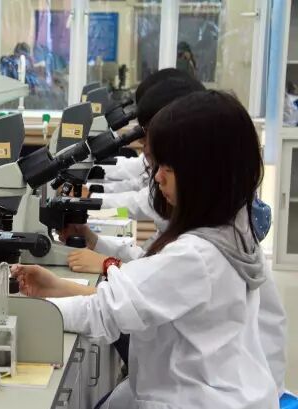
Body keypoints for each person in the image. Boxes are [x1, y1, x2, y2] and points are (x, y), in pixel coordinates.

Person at [13, 91, 286, 409]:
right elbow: (145, 281)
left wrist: (12, 311)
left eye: (168, 167)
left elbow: (103, 312)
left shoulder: (198, 255)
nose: (156, 177)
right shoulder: (230, 229)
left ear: (204, 174)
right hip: (231, 404)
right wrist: (57, 285)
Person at [62, 75, 205, 266]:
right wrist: (94, 241)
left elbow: (152, 272)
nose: (158, 177)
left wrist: (107, 264)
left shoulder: (198, 243)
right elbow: (150, 261)